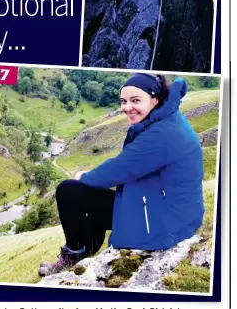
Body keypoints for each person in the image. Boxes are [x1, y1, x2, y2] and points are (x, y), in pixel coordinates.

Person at [39, 74, 204, 277]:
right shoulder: (168, 120)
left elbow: (120, 169)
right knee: (91, 199)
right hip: (171, 211)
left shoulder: (161, 135)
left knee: (69, 191)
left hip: (164, 224)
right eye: (124, 101)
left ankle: (74, 255)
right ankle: (82, 255)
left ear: (156, 99)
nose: (127, 107)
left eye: (135, 100)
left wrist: (84, 176)